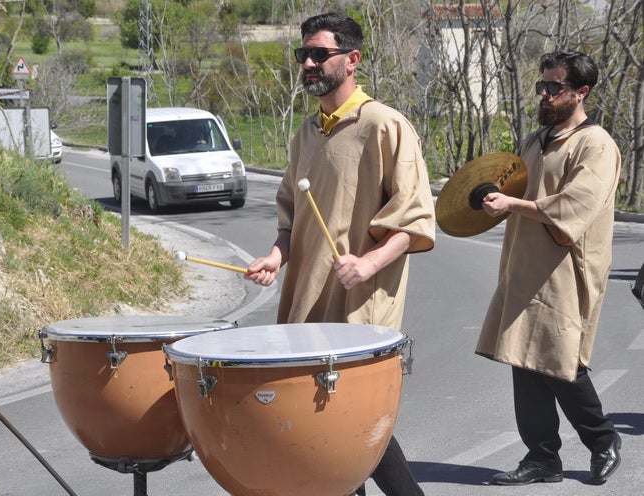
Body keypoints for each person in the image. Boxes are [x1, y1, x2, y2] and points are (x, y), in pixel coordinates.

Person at [246, 12, 435, 496]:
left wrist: (367, 263)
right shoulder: (307, 132)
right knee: (327, 428)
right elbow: (291, 218)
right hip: (306, 297)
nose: (308, 63)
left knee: (352, 421)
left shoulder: (385, 125)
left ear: (352, 60)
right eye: (302, 55)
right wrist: (275, 256)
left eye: (319, 54)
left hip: (362, 304)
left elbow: (414, 223)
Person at [477, 51, 622, 486]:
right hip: (524, 264)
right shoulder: (536, 140)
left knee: (561, 362)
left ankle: (603, 441)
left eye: (554, 88)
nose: (544, 94)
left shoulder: (596, 145)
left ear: (581, 92)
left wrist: (515, 204)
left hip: (566, 269)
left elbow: (575, 206)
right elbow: (514, 192)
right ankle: (542, 458)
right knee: (525, 359)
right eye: (542, 86)